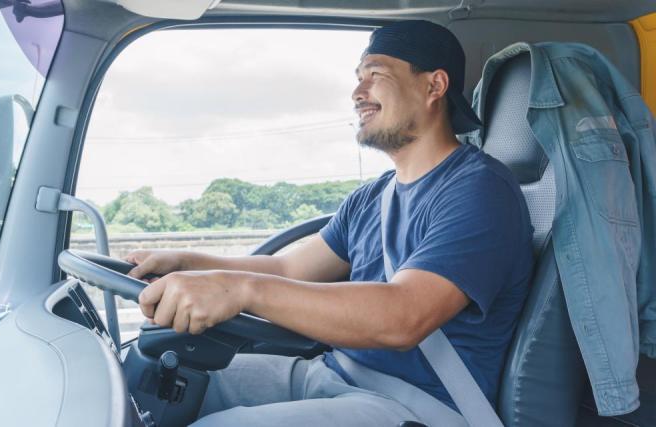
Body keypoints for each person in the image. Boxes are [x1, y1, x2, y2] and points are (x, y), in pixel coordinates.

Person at [125, 20, 534, 426]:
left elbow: (404, 317)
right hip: (335, 374)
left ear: (434, 86)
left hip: (415, 408)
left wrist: (241, 291)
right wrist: (186, 263)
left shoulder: (481, 190)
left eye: (376, 75)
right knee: (157, 378)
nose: (358, 93)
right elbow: (290, 268)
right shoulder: (373, 197)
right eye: (358, 79)